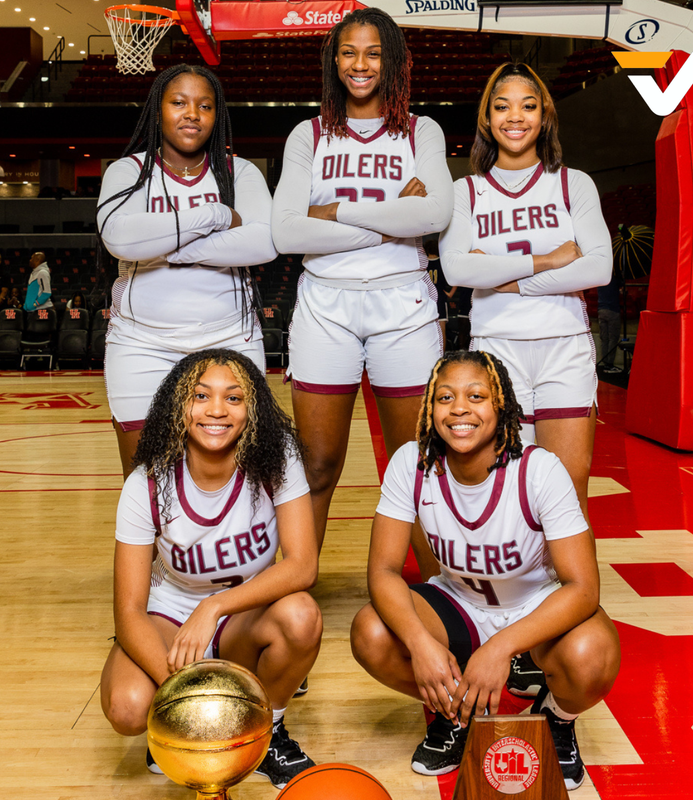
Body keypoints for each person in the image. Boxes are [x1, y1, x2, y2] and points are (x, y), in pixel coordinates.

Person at [350, 350, 620, 789]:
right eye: (445, 397)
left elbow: (584, 588)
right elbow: (383, 570)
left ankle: (555, 718)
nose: (459, 409)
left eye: (476, 396)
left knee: (592, 655)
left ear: (501, 405)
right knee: (372, 633)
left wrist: (500, 649)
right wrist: (420, 643)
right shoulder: (412, 463)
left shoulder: (538, 469)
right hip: (460, 602)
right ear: (429, 408)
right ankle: (457, 712)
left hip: (534, 603)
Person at [270, 8, 453, 560]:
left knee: (415, 461)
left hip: (405, 303)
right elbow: (285, 230)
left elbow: (436, 214)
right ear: (334, 61)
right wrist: (394, 215)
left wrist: (330, 212)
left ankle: (440, 589)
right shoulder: (308, 134)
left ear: (392, 61)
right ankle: (294, 584)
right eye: (349, 52)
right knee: (317, 464)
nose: (361, 64)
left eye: (374, 53)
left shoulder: (421, 130)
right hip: (325, 306)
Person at [99, 349, 321, 788]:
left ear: (252, 409)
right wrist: (186, 697)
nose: (216, 410)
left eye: (233, 398)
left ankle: (268, 730)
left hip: (242, 616)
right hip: (171, 620)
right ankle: (173, 722)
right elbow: (128, 612)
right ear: (178, 406)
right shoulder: (147, 483)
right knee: (127, 708)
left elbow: (302, 566)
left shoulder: (277, 460)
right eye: (200, 396)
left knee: (301, 616)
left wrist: (214, 606)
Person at [440, 62, 611, 523]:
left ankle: (570, 574)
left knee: (568, 490)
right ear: (487, 118)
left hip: (563, 348)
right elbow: (456, 268)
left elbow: (599, 267)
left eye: (528, 106)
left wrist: (503, 278)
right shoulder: (466, 191)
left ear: (544, 115)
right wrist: (549, 261)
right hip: (496, 351)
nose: (515, 117)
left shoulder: (573, 183)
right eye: (502, 106)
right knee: (504, 487)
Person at [98, 64, 275, 479]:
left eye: (205, 106)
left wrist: (165, 247)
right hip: (141, 344)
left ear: (217, 115)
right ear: (158, 109)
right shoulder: (128, 171)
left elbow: (263, 243)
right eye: (179, 102)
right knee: (146, 479)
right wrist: (216, 215)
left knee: (236, 477)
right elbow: (120, 239)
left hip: (230, 339)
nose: (192, 114)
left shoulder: (240, 172)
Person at [596, 258, 624, 374]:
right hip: (613, 310)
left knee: (604, 338)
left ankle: (604, 362)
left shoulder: (600, 277)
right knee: (613, 338)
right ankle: (610, 364)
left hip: (601, 310)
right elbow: (622, 289)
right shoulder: (615, 277)